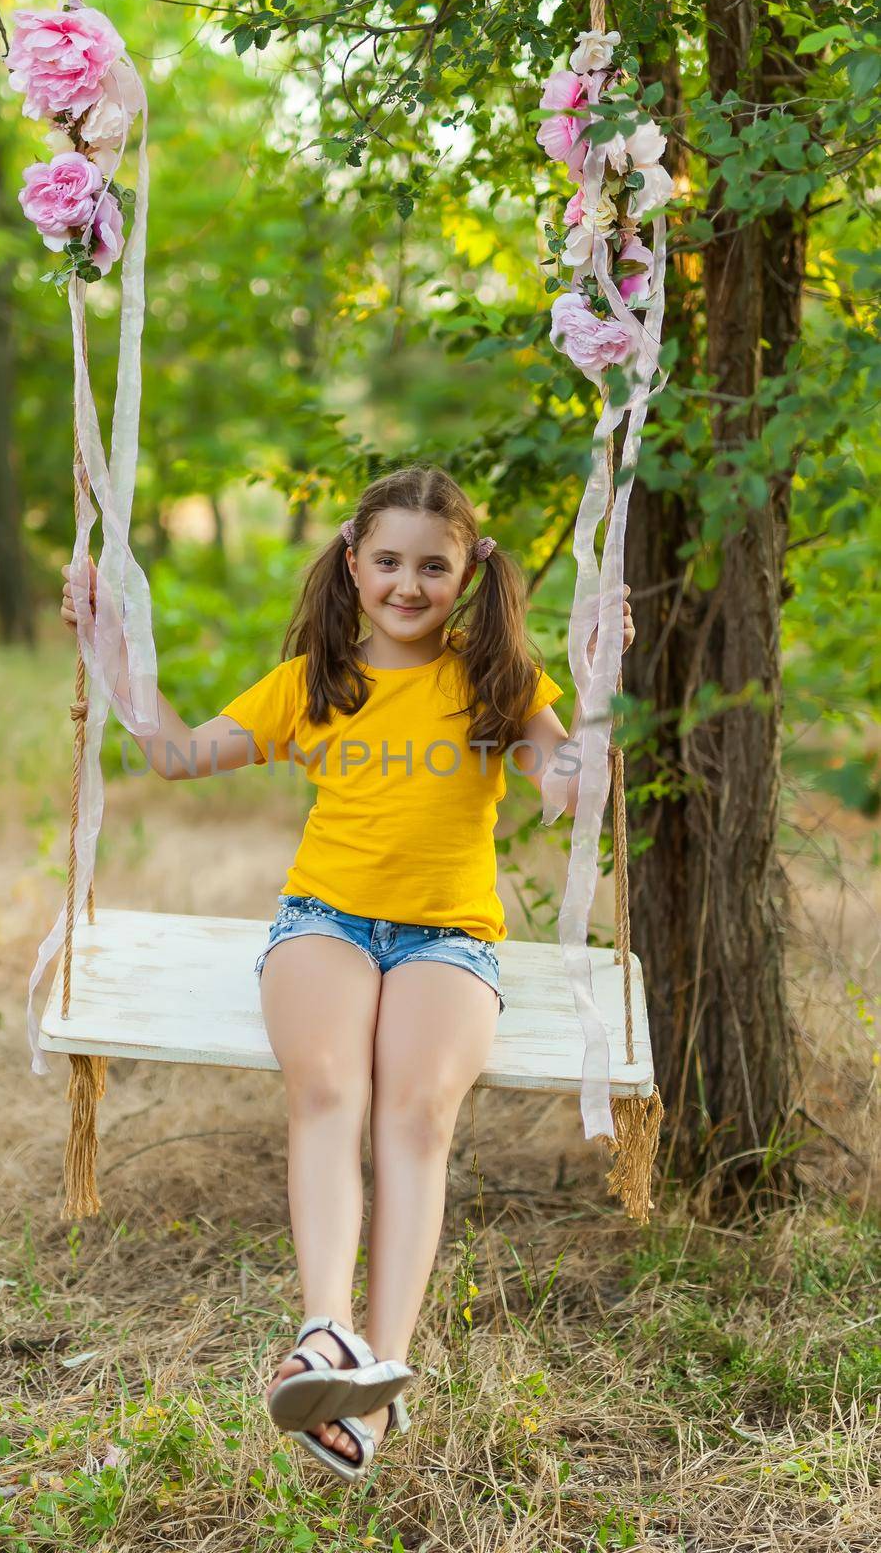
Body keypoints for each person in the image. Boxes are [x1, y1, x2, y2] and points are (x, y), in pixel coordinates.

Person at [61, 462, 634, 1483]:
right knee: (327, 1090)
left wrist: (593, 693)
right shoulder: (312, 681)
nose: (406, 585)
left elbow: (565, 791)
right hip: (323, 921)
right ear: (350, 561)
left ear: (468, 572)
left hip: (447, 937)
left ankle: (374, 1372)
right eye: (386, 562)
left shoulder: (494, 681)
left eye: (431, 565)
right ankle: (324, 1331)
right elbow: (178, 754)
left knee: (415, 1116)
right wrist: (108, 646)